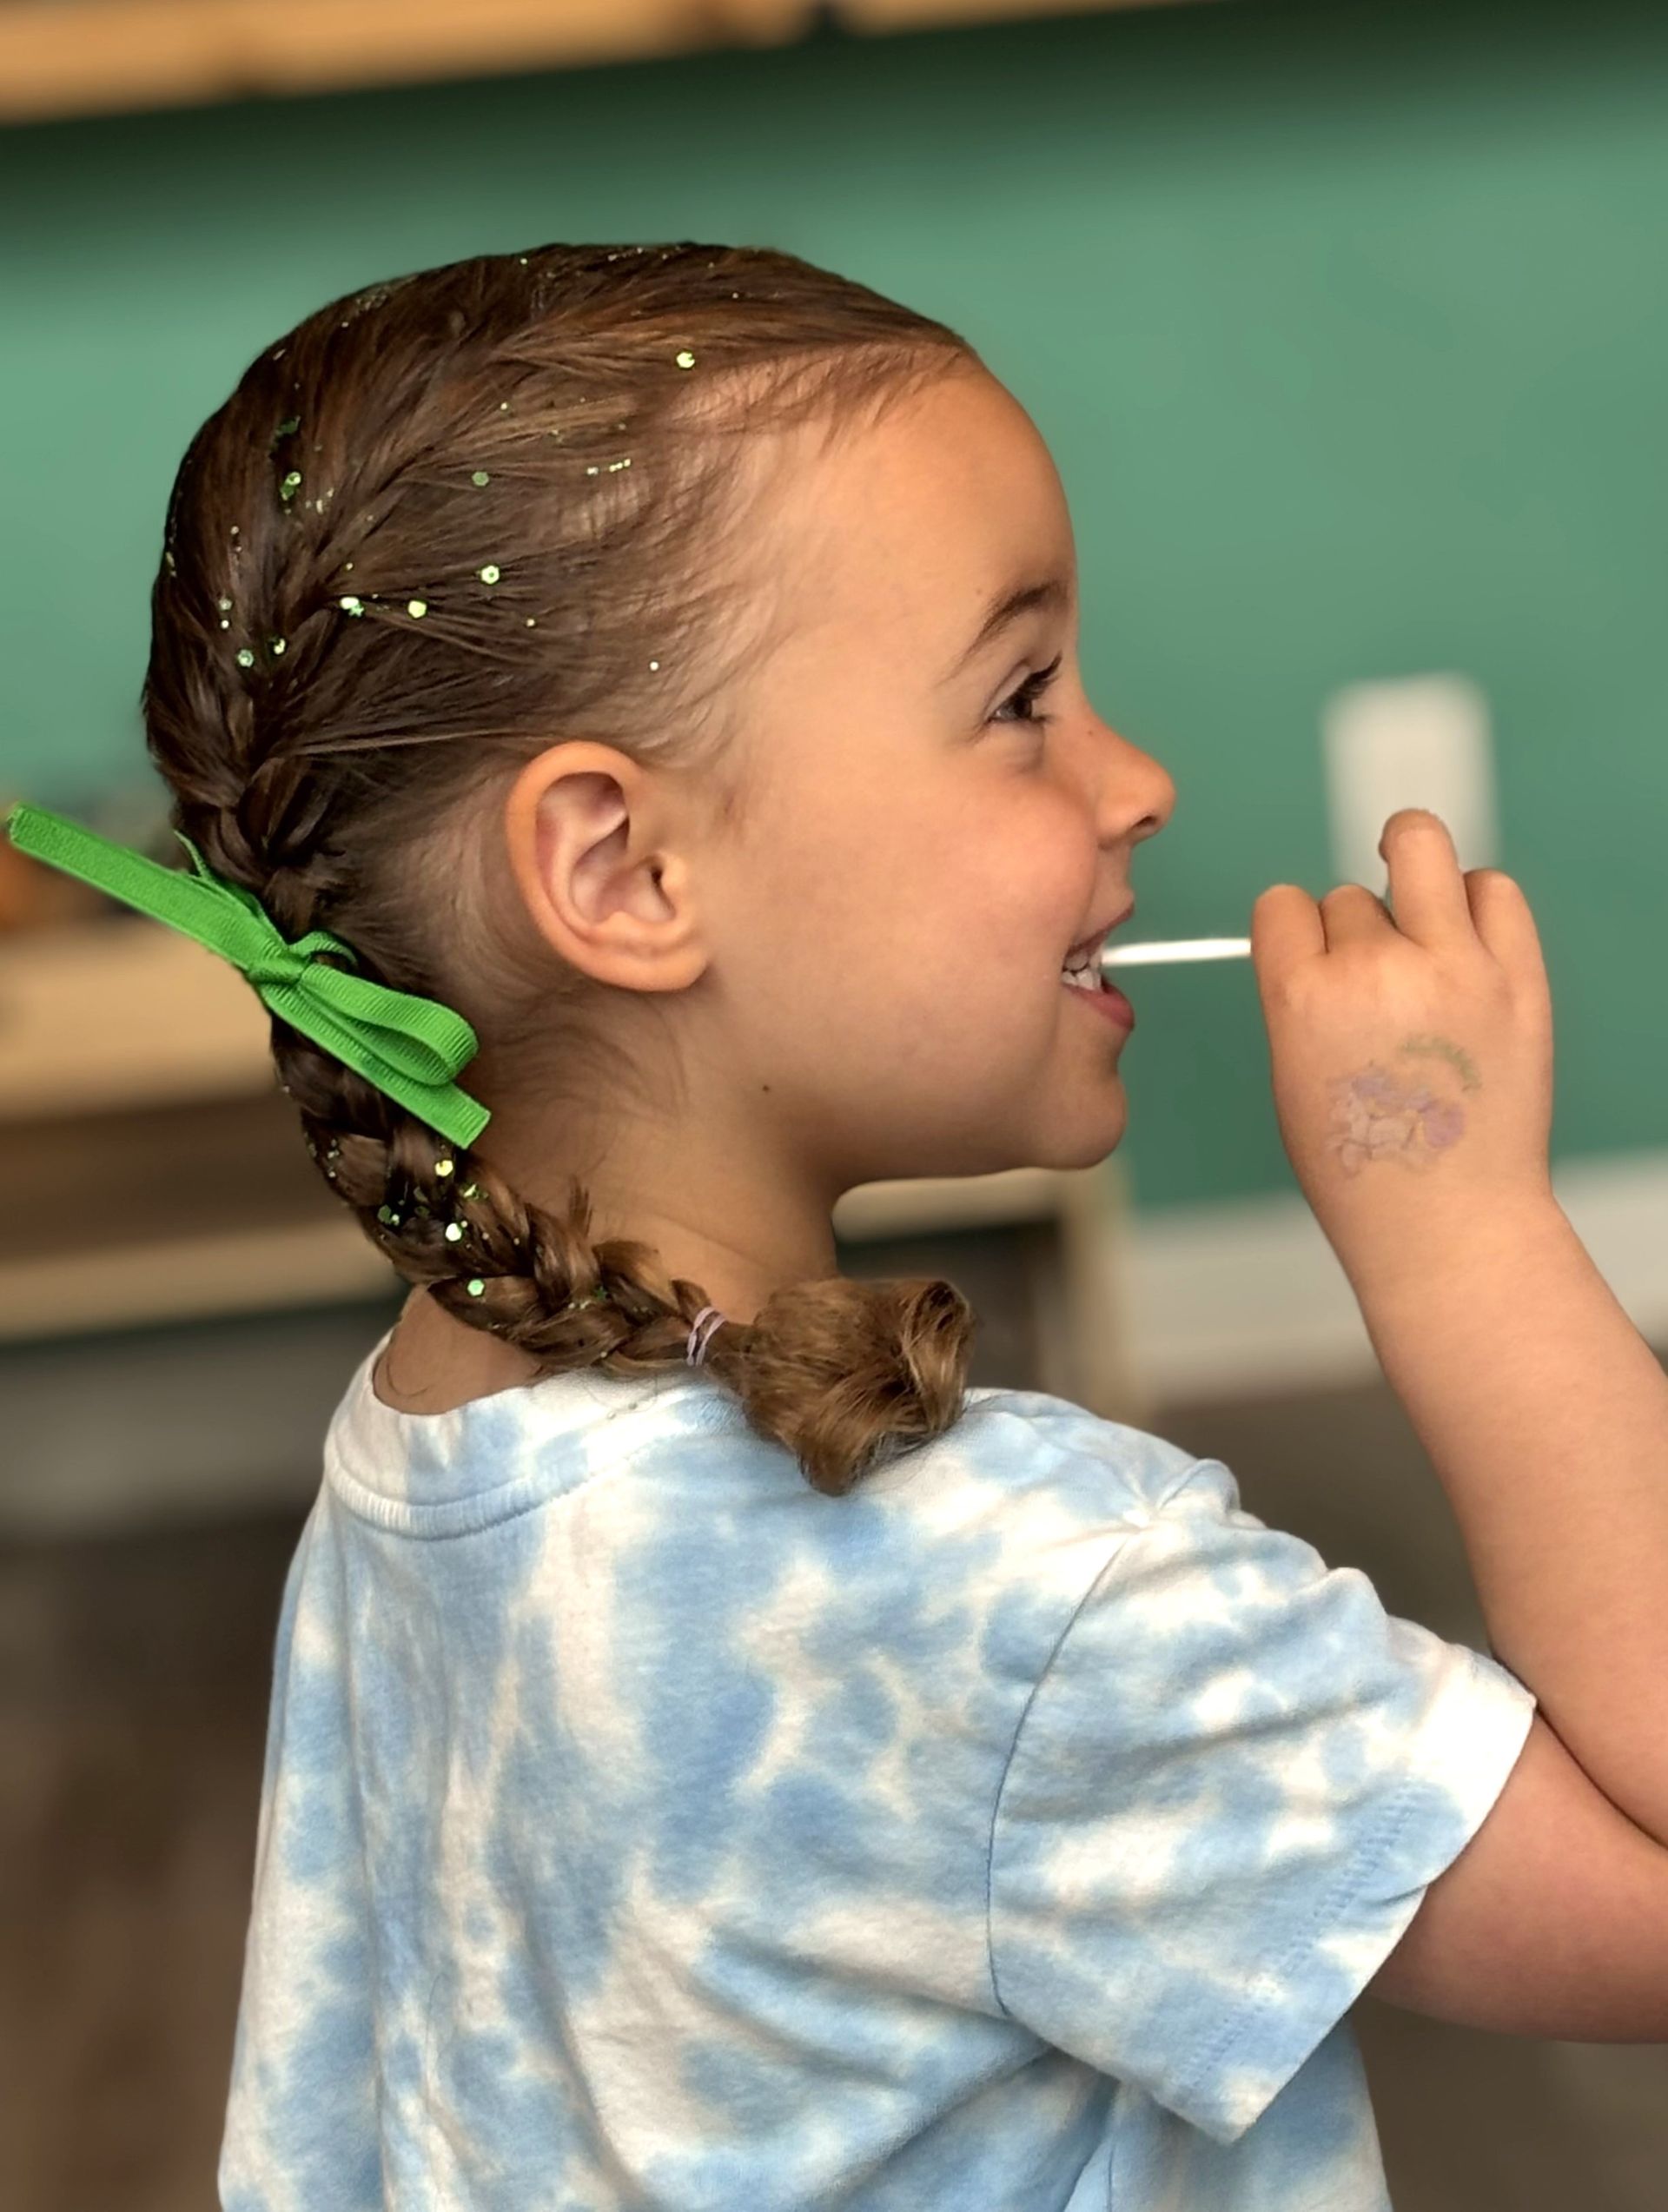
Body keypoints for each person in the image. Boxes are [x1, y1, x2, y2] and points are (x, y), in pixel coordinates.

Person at [11, 242, 1665, 2211]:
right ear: (625, 868)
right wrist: (1457, 1218)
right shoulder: (1030, 1604)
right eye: (1023, 696)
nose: (1138, 783)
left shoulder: (421, 1450)